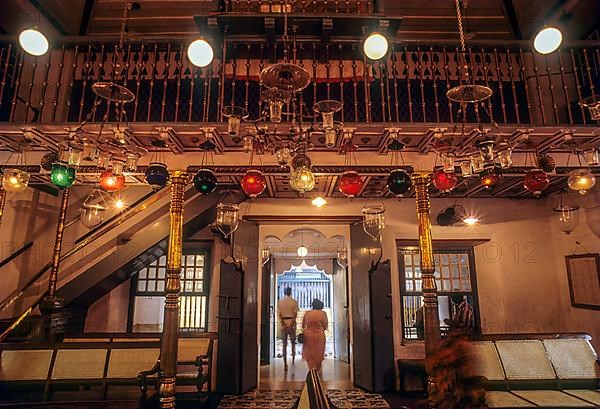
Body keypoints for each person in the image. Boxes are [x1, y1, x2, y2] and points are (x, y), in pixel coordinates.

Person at [302, 298, 328, 374]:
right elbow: (325, 326)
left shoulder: (307, 313)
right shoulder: (323, 313)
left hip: (308, 336)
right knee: (319, 355)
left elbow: (303, 325)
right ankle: (318, 371)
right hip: (319, 336)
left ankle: (312, 371)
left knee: (310, 356)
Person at [278, 287, 299, 370]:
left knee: (284, 344)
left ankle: (285, 363)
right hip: (292, 323)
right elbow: (295, 314)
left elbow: (279, 314)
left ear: (284, 292)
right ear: (291, 292)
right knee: (293, 343)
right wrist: (291, 324)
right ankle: (293, 361)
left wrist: (284, 324)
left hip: (283, 324)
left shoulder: (280, 302)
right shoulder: (294, 302)